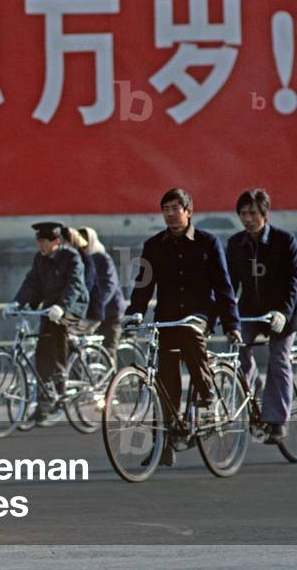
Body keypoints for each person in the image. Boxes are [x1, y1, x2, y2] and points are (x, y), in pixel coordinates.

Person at [125, 188, 241, 467]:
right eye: (166, 209)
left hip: (198, 316)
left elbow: (223, 287)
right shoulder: (154, 245)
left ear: (189, 211)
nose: (171, 214)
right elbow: (144, 284)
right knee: (166, 382)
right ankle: (162, 447)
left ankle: (207, 394)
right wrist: (135, 313)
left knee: (190, 334)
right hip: (167, 317)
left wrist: (231, 324)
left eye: (176, 208)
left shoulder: (207, 242)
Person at [225, 188, 297, 444]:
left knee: (279, 360)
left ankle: (277, 421)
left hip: (282, 314)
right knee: (236, 348)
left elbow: (293, 282)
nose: (247, 219)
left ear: (264, 214)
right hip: (250, 312)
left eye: (253, 213)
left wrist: (283, 312)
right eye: (243, 213)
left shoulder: (284, 241)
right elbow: (230, 284)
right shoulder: (236, 243)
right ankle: (252, 389)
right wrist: (225, 312)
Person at [5, 221, 89, 420]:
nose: (40, 246)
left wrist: (62, 306)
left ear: (57, 241)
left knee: (57, 327)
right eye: (39, 241)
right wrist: (17, 303)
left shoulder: (71, 257)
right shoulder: (39, 259)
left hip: (73, 306)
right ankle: (43, 405)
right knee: (42, 348)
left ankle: (60, 374)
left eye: (44, 242)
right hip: (50, 307)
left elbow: (74, 285)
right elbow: (32, 283)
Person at [78, 227, 127, 362]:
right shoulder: (80, 260)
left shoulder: (103, 258)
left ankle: (114, 381)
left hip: (111, 312)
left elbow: (109, 285)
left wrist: (96, 305)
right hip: (93, 312)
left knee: (108, 350)